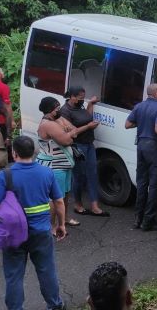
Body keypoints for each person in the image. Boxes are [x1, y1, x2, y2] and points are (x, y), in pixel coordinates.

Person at [0, 136, 67, 310]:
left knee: (13, 275)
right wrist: (61, 225)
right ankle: (54, 305)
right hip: (42, 232)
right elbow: (59, 202)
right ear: (34, 152)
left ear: (14, 153)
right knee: (46, 271)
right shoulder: (46, 173)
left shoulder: (4, 175)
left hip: (14, 234)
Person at [37, 97, 97, 232]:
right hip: (54, 166)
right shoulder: (48, 124)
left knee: (64, 194)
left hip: (64, 164)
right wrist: (68, 132)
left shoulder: (56, 119)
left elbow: (74, 130)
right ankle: (52, 226)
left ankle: (63, 219)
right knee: (55, 197)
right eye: (56, 108)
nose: (59, 110)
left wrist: (68, 131)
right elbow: (67, 140)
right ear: (50, 110)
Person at [125, 83, 157, 231]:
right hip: (153, 147)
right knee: (155, 186)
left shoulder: (139, 106)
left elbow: (127, 124)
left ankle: (137, 219)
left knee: (142, 183)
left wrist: (141, 125)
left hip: (141, 146)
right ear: (156, 94)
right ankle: (148, 221)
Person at [60, 86, 108, 217]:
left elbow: (86, 117)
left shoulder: (80, 107)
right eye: (80, 97)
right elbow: (71, 132)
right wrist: (88, 126)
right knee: (79, 176)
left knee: (92, 174)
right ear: (72, 97)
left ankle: (94, 205)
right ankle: (78, 204)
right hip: (77, 146)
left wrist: (90, 104)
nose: (82, 99)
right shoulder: (65, 111)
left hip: (89, 144)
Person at [0, 67, 16, 149]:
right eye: (2, 72)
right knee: (5, 145)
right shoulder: (3, 87)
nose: (3, 74)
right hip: (2, 121)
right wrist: (12, 121)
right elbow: (7, 108)